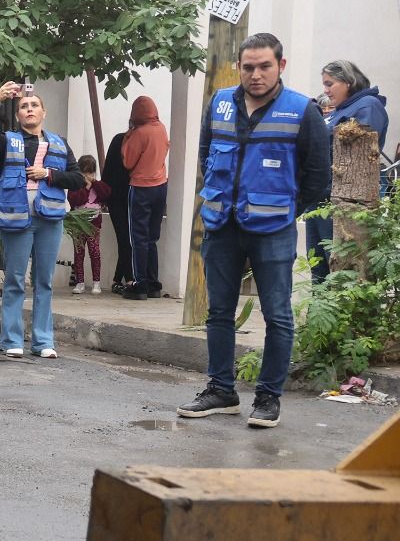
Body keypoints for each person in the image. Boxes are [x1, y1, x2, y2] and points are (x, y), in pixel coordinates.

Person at [179, 32, 331, 428]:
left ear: (280, 65)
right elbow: (205, 155)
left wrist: (285, 212)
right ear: (240, 68)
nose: (256, 74)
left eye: (264, 66)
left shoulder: (302, 111)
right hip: (222, 225)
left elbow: (317, 178)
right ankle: (221, 390)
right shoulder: (220, 103)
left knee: (278, 316)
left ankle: (268, 398)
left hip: (273, 229)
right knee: (219, 312)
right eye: (248, 67)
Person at [0, 80, 85, 359]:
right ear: (18, 115)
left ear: (43, 112)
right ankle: (12, 340)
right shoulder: (9, 140)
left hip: (50, 218)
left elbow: (77, 179)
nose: (29, 109)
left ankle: (43, 341)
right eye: (24, 106)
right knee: (14, 279)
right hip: (16, 217)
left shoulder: (59, 144)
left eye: (34, 105)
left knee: (45, 282)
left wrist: (49, 175)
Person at [306, 60, 387, 282]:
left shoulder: (368, 106)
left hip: (343, 201)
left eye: (329, 84)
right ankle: (318, 317)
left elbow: (360, 154)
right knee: (318, 267)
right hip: (318, 199)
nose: (326, 90)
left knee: (341, 271)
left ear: (348, 82)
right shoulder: (340, 110)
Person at [120, 96, 170, 300]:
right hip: (161, 186)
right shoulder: (161, 128)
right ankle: (153, 283)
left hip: (141, 187)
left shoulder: (139, 133)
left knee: (137, 238)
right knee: (152, 237)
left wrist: (128, 135)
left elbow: (128, 161)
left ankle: (139, 283)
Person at [69, 155, 111, 294]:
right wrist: (86, 188)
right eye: (84, 172)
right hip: (78, 225)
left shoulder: (98, 185)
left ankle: (96, 283)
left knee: (95, 253)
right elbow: (74, 200)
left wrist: (95, 184)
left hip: (93, 224)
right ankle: (79, 282)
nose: (87, 175)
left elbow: (106, 194)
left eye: (90, 172)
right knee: (79, 253)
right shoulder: (75, 185)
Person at [102, 122, 134, 292]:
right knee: (125, 239)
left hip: (127, 198)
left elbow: (106, 172)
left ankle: (116, 279)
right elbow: (107, 171)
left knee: (126, 239)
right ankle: (128, 279)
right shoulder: (120, 140)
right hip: (118, 198)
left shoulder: (125, 141)